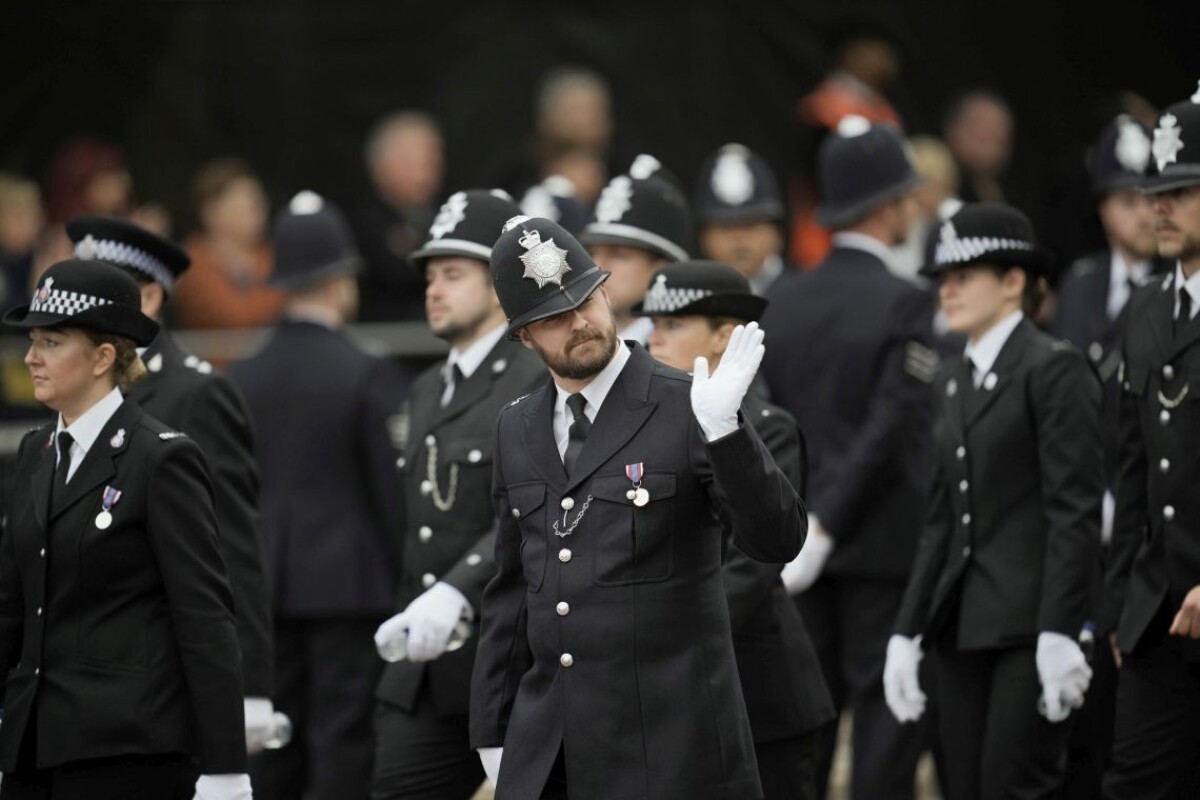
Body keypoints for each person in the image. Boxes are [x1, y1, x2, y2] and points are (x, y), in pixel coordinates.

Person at [469, 215, 806, 799]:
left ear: (605, 293)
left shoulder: (687, 404)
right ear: (523, 335)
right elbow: (512, 589)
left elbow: (776, 541)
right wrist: (492, 729)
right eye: (553, 318)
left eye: (585, 300)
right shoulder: (516, 426)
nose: (580, 324)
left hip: (673, 751)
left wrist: (726, 432)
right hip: (554, 748)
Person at [0, 259, 250, 799]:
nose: (31, 357)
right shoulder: (36, 452)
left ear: (103, 357)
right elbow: (11, 606)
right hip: (34, 746)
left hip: (127, 751)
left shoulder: (160, 458)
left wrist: (227, 767)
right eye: (33, 340)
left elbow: (204, 618)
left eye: (51, 341)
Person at [886, 202, 1104, 799]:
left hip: (1029, 625)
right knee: (962, 786)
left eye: (965, 275)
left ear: (1013, 282)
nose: (948, 290)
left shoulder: (1053, 368)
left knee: (1014, 785)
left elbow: (1073, 513)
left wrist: (1061, 629)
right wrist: (907, 632)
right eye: (942, 278)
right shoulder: (952, 377)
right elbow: (942, 519)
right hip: (962, 624)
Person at [760, 114, 933, 800]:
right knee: (887, 721)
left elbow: (771, 425)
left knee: (810, 719)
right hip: (883, 545)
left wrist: (810, 523)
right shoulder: (908, 302)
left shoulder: (782, 299)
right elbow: (892, 424)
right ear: (888, 205)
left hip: (798, 548)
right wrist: (830, 522)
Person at [65, 214, 277, 753]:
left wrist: (249, 687)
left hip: (167, 671)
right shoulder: (78, 389)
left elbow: (233, 545)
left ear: (151, 299)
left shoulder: (196, 395)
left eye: (102, 291)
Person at [228, 192, 404, 800]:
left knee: (272, 741)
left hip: (265, 589)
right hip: (349, 587)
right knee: (343, 741)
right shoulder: (364, 371)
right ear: (339, 281)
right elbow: (390, 492)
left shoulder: (241, 375)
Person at [371, 189, 546, 799]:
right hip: (424, 669)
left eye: (452, 274)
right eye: (428, 275)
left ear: (500, 285)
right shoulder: (426, 387)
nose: (433, 289)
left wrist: (457, 589)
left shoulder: (534, 377)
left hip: (511, 659)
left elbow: (536, 505)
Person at [640, 260, 835, 800]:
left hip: (759, 695)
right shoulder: (644, 429)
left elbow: (752, 567)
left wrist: (656, 643)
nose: (654, 336)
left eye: (675, 324)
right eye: (653, 322)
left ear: (725, 335)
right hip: (676, 696)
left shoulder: (766, 427)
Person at [1050, 115, 1162, 797]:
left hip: (1148, 505)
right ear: (1101, 207)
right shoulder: (1079, 284)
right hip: (1081, 506)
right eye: (1128, 199)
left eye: (1154, 197)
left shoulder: (1176, 291)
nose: (1146, 214)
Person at [1103, 88, 1200, 799]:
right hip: (1155, 613)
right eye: (1153, 191)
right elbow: (1130, 464)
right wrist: (1118, 599)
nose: (1158, 207)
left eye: (1180, 189)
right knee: (1134, 785)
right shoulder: (1143, 308)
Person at [578, 158, 691, 345]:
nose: (597, 266)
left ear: (663, 269)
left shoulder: (685, 355)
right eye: (593, 252)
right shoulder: (572, 346)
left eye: (619, 255)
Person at [352, 111, 445, 323]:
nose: (427, 169)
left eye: (433, 158)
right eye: (413, 159)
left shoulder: (452, 215)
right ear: (380, 166)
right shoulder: (363, 225)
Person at [174, 158, 282, 330]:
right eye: (245, 205)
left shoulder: (270, 254)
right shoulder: (191, 261)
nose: (258, 212)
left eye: (258, 203)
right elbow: (233, 316)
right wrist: (283, 296)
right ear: (212, 212)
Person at [693, 144, 790, 297]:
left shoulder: (808, 297)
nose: (739, 238)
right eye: (725, 227)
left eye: (750, 224)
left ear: (777, 233)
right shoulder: (690, 302)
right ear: (703, 237)